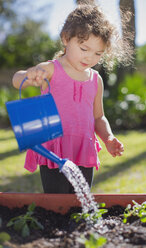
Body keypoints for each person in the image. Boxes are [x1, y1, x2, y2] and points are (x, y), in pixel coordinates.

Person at [12, 4, 132, 194]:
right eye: (84, 48)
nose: (90, 57)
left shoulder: (96, 80)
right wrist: (30, 74)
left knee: (81, 204)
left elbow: (98, 117)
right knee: (57, 204)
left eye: (98, 53)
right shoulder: (52, 69)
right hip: (55, 150)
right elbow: (17, 80)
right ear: (66, 39)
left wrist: (108, 138)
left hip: (83, 150)